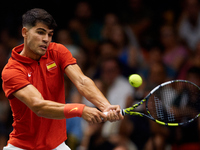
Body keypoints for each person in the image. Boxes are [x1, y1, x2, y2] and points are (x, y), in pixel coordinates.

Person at [1, 8, 123, 150]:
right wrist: (79, 109)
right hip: (22, 147)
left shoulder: (57, 51)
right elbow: (38, 105)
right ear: (25, 33)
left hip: (57, 145)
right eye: (40, 32)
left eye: (50, 34)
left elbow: (82, 81)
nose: (46, 39)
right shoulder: (12, 71)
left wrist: (105, 106)